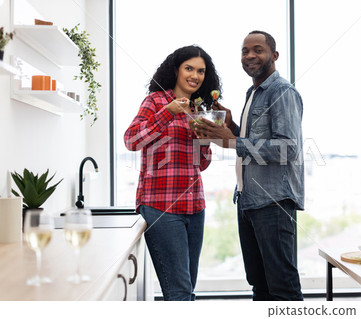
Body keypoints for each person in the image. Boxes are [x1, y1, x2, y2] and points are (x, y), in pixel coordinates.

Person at [195, 31, 304, 301]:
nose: (250, 56)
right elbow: (253, 140)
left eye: (258, 50)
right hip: (248, 200)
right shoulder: (253, 92)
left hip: (273, 202)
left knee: (282, 287)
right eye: (245, 51)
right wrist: (231, 126)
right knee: (260, 285)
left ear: (274, 56)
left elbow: (288, 149)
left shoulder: (282, 92)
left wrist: (231, 141)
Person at [124, 45, 221, 301]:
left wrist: (205, 141)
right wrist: (168, 113)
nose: (195, 75)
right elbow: (131, 140)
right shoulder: (155, 101)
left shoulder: (198, 110)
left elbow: (199, 165)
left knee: (187, 289)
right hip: (161, 207)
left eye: (201, 71)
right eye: (189, 68)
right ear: (176, 70)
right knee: (178, 291)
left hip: (195, 207)